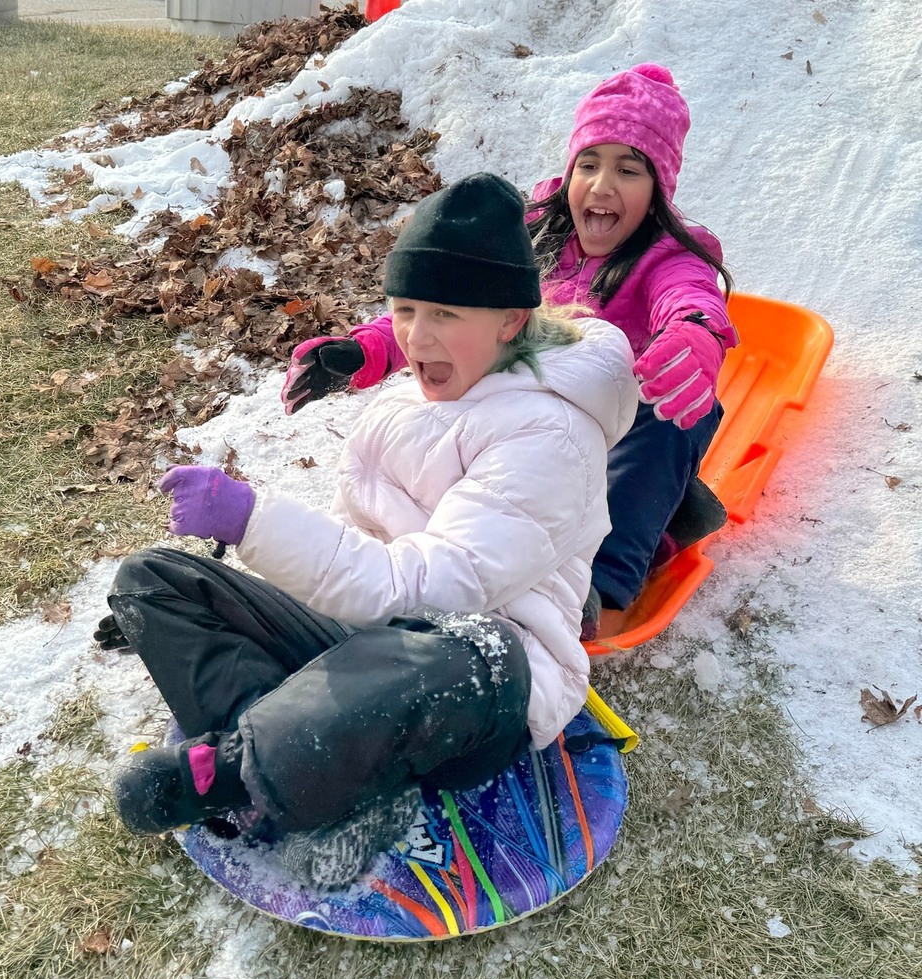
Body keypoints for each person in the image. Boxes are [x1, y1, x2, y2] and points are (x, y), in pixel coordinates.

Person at [98, 172, 638, 889]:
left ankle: (241, 771)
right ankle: (326, 777)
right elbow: (362, 565)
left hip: (479, 680)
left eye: (445, 313)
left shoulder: (551, 434)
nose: (416, 336)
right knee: (155, 582)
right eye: (406, 309)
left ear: (510, 320)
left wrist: (254, 520)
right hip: (372, 647)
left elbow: (429, 589)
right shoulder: (415, 398)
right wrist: (249, 604)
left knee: (458, 649)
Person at [280, 64, 738, 639]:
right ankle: (449, 543)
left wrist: (694, 333)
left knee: (668, 414)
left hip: (615, 427)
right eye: (588, 165)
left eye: (628, 170)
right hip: (523, 412)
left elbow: (690, 298)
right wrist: (366, 349)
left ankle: (599, 577)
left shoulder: (667, 257)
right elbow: (445, 297)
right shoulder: (529, 232)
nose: (601, 187)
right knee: (439, 414)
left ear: (658, 189)